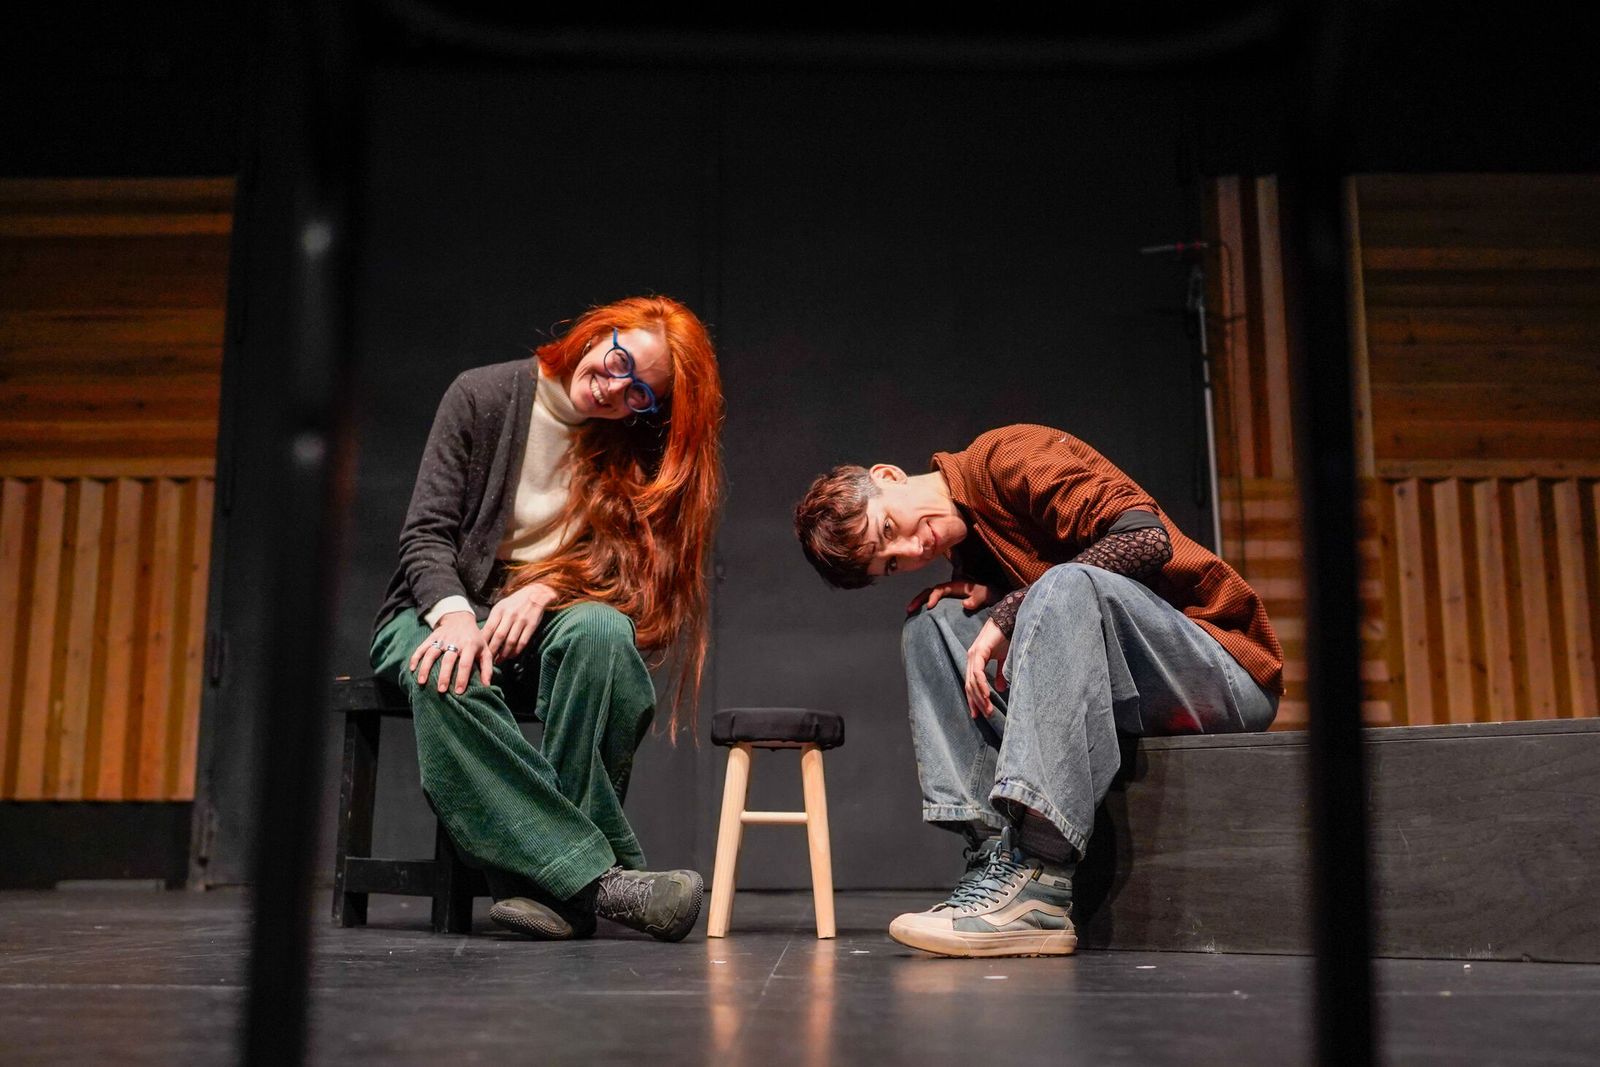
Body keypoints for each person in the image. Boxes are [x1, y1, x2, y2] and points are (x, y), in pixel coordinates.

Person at [793, 424, 1282, 958]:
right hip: (1136, 695)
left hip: (1219, 669)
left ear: (887, 476)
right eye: (891, 563)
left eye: (890, 527)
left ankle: (1040, 880)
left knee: (1063, 585)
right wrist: (1000, 595)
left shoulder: (1006, 456)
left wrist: (1011, 605)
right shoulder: (972, 546)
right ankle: (993, 860)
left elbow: (1145, 537)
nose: (913, 549)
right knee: (933, 624)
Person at [370, 295, 723, 942]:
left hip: (542, 618)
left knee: (604, 634)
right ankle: (597, 882)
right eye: (620, 361)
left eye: (640, 393)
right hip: (434, 605)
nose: (615, 390)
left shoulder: (623, 442)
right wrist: (453, 616)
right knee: (445, 666)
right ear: (598, 331)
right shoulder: (482, 395)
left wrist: (547, 589)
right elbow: (425, 536)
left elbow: (622, 571)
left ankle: (552, 893)